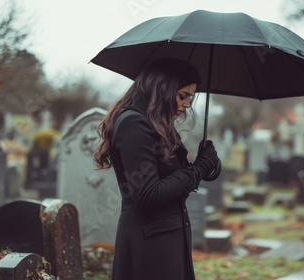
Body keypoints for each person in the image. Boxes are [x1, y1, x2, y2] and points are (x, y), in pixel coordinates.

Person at [94, 58, 219, 280]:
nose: (188, 104)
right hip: (149, 242)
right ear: (163, 90)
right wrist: (198, 169)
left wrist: (207, 164)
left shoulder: (155, 124)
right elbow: (148, 194)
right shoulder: (134, 123)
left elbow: (171, 181)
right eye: (183, 96)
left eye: (190, 97)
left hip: (165, 238)